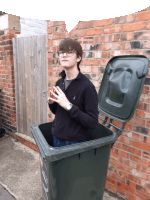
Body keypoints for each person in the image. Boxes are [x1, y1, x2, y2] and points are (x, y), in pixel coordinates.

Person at [47, 38, 99, 147]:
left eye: (70, 52)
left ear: (78, 58)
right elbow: (58, 112)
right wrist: (51, 103)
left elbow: (93, 122)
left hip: (74, 143)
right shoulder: (59, 83)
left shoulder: (87, 87)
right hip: (56, 137)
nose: (64, 55)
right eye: (61, 52)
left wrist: (69, 106)